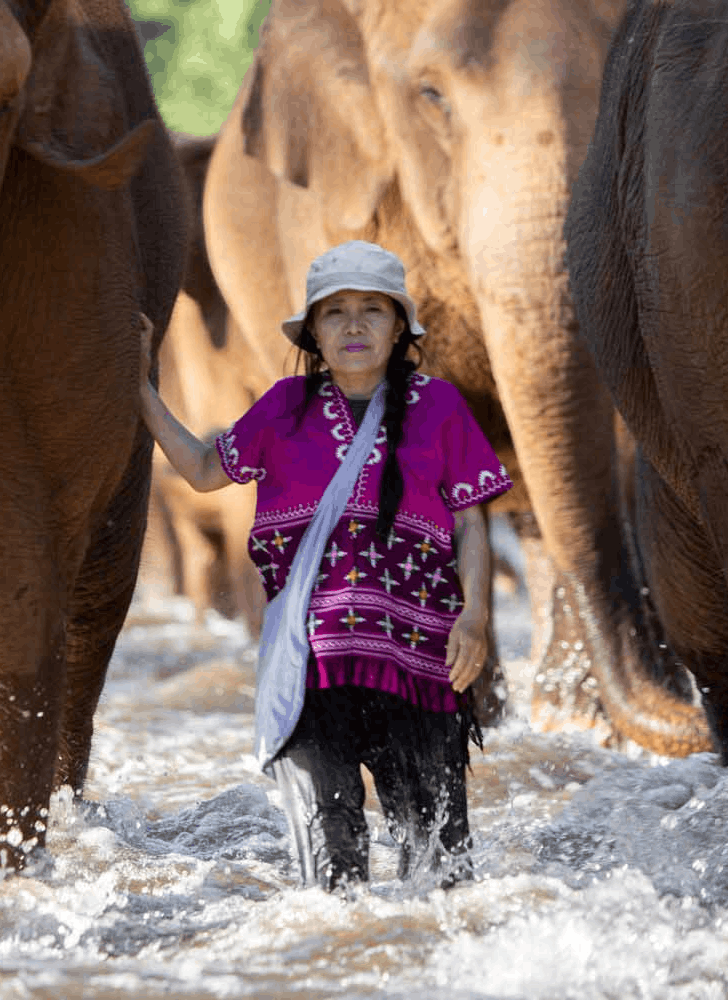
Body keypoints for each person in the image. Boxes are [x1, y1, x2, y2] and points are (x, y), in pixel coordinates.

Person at [138, 240, 512, 891]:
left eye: (373, 309)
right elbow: (201, 470)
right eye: (335, 312)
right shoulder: (284, 406)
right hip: (310, 668)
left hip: (422, 666)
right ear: (314, 330)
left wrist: (475, 617)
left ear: (399, 327)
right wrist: (138, 387)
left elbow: (469, 521)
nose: (354, 326)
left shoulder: (441, 407)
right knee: (332, 881)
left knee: (443, 878)